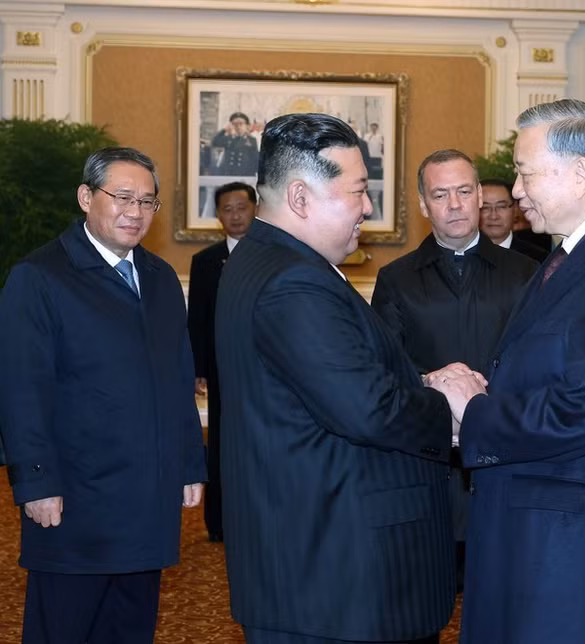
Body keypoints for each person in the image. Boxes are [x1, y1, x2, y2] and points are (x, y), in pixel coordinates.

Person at [428, 99, 585, 643]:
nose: (515, 191)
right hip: (543, 531)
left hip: (575, 549)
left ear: (579, 172)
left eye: (524, 171)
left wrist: (475, 411)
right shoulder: (580, 255)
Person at [215, 113, 457, 644]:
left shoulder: (264, 261)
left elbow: (332, 379)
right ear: (301, 198)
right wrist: (450, 407)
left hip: (311, 568)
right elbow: (365, 409)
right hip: (338, 580)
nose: (368, 207)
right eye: (359, 191)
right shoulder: (293, 281)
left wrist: (421, 382)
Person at [0, 146, 206, 643]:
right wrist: (37, 481)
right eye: (123, 197)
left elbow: (177, 378)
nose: (135, 212)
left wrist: (189, 463)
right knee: (66, 629)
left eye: (148, 202)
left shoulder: (158, 278)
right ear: (86, 197)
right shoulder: (41, 276)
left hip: (147, 498)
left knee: (130, 627)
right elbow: (21, 387)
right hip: (75, 499)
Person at [372, 150, 537, 597]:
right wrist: (432, 382)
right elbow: (385, 368)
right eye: (440, 194)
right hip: (430, 464)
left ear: (481, 196)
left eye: (465, 191)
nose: (455, 204)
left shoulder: (527, 274)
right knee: (422, 600)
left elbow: (540, 363)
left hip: (505, 458)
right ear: (424, 205)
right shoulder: (397, 278)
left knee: (506, 599)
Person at [187, 181, 257, 543]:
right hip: (221, 368)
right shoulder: (206, 261)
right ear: (218, 215)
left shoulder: (270, 254)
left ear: (254, 208)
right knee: (222, 443)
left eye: (241, 207)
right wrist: (198, 367)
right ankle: (219, 521)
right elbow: (196, 318)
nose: (235, 215)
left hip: (266, 369)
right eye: (227, 209)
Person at [479, 178, 551, 261]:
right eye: (485, 208)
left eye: (501, 206)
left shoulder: (538, 259)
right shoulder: (463, 254)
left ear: (515, 209)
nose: (493, 216)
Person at [211, 111, 260, 176]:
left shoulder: (251, 140)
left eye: (241, 124)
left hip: (245, 175)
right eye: (235, 124)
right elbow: (215, 142)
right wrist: (224, 130)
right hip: (229, 175)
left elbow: (255, 159)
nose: (238, 126)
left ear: (246, 126)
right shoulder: (227, 139)